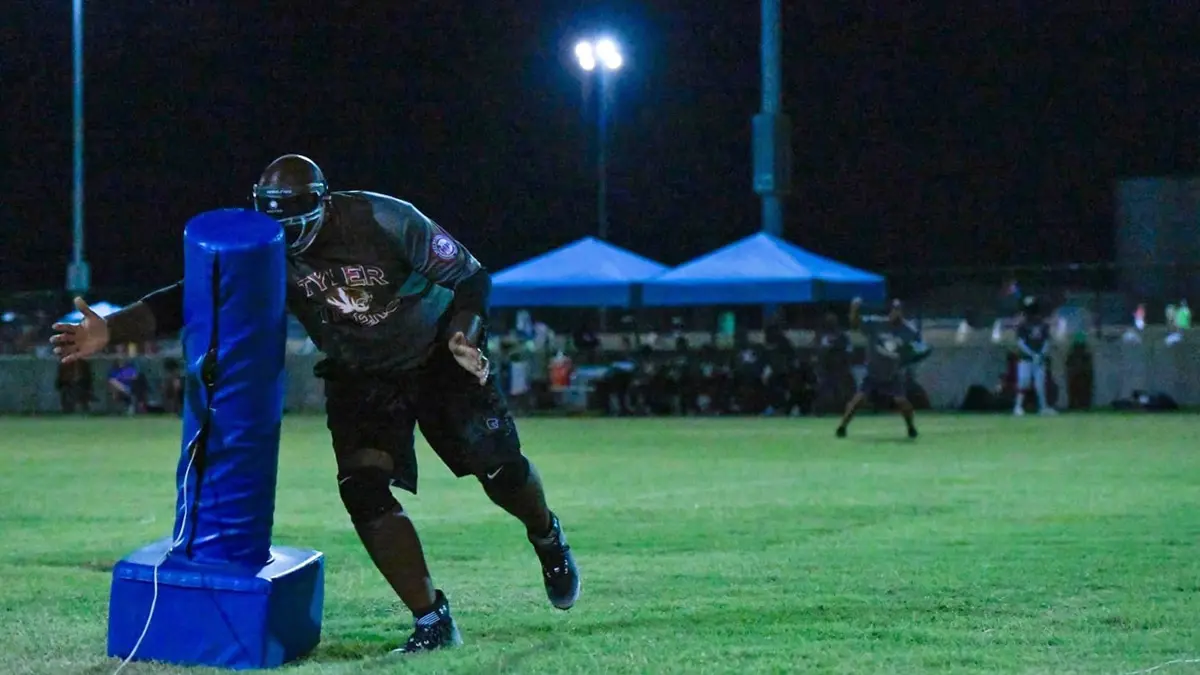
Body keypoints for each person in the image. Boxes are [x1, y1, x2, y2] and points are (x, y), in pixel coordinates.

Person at [49, 154, 580, 654]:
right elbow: (195, 296)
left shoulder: (383, 218)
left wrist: (465, 333)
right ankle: (431, 619)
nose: (287, 236)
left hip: (439, 354)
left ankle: (546, 534)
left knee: (501, 471)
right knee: (363, 488)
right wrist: (112, 328)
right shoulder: (267, 248)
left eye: (298, 221)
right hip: (360, 373)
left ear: (324, 204)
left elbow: (470, 275)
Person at [835, 298, 928, 439]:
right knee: (858, 400)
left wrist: (908, 357)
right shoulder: (876, 324)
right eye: (893, 310)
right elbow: (855, 324)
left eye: (898, 310)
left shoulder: (908, 330)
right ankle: (842, 427)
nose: (895, 313)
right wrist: (854, 309)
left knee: (901, 401)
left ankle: (911, 428)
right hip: (873, 372)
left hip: (892, 374)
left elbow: (919, 347)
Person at [1013, 295, 1055, 415]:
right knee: (1023, 381)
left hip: (1039, 359)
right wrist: (1032, 354)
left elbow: (1046, 341)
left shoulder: (1043, 325)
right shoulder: (1022, 325)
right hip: (1025, 359)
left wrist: (1040, 354)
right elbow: (1020, 343)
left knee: (1039, 384)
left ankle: (1043, 407)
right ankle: (1018, 407)